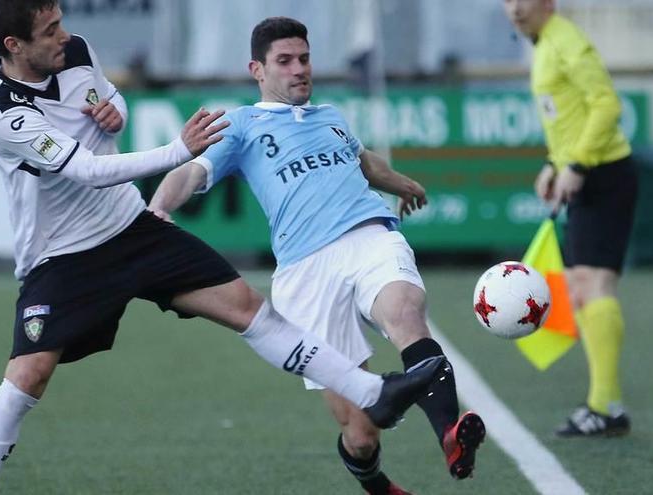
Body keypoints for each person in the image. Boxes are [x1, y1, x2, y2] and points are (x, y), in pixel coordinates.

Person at [0, 2, 442, 494]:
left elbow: (113, 103)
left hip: (129, 225)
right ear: (14, 46)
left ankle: (373, 393)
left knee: (247, 307)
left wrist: (113, 113)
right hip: (62, 254)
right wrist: (178, 150)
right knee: (28, 378)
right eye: (49, 30)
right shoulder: (2, 113)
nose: (64, 35)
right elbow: (86, 170)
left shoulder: (76, 50)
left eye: (60, 21)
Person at [149, 17, 486, 495]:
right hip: (305, 271)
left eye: (304, 59)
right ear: (258, 70)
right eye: (284, 61)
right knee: (362, 431)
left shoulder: (331, 116)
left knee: (405, 312)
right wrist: (158, 207)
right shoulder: (243, 124)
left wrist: (401, 183)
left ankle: (451, 436)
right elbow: (190, 173)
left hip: (370, 236)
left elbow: (365, 163)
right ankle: (376, 483)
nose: (299, 69)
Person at [503, 0, 637, 437]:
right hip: (588, 173)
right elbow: (569, 115)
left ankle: (606, 406)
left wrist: (576, 165)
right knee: (582, 290)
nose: (515, 9)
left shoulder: (567, 41)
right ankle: (605, 404)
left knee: (594, 286)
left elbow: (605, 105)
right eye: (507, 0)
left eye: (524, 0)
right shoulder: (545, 43)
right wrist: (554, 162)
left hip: (604, 174)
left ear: (549, 3)